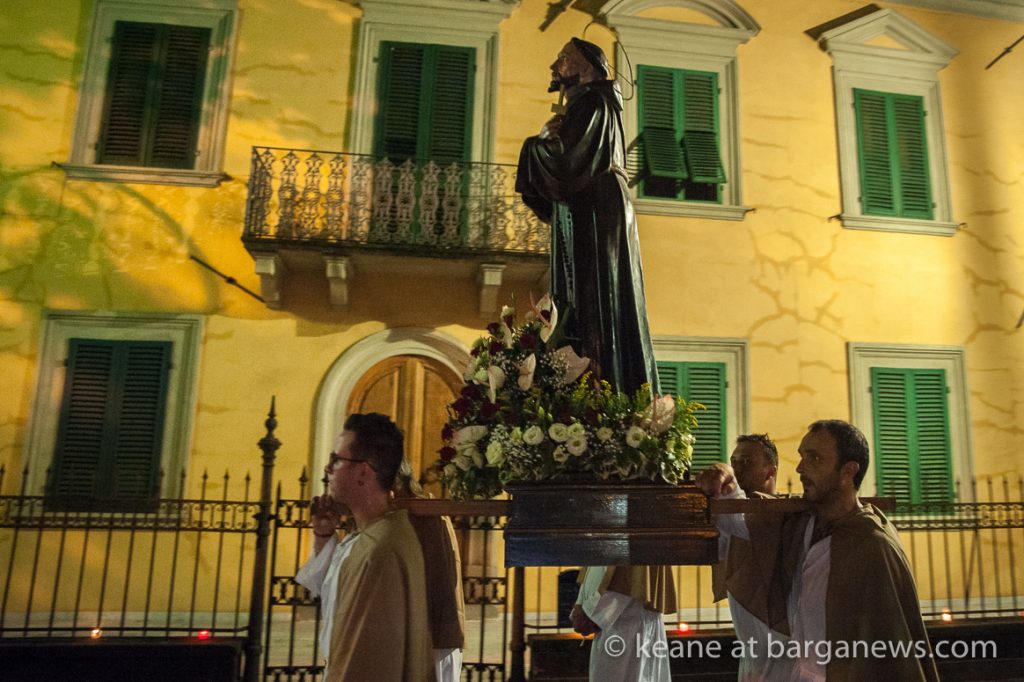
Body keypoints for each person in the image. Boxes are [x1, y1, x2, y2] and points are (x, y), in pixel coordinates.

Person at [698, 420, 939, 681]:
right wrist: (724, 479)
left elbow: (889, 646)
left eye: (813, 458)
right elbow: (741, 524)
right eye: (802, 457)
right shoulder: (799, 522)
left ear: (848, 471)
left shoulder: (873, 544)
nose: (800, 468)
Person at [516, 37, 659, 396]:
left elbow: (569, 159)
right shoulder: (589, 104)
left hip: (596, 207)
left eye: (564, 58)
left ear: (587, 67)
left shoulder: (593, 101)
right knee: (583, 292)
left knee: (596, 294)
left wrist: (536, 144)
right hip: (588, 204)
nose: (555, 66)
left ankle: (600, 379)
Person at [294, 413, 435, 682]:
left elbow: (366, 659)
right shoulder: (369, 535)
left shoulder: (381, 550)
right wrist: (325, 535)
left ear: (363, 471)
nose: (328, 469)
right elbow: (337, 594)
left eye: (336, 460)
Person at [711, 434, 791, 681]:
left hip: (782, 649)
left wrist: (726, 479)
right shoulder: (735, 515)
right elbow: (720, 538)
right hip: (750, 651)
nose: (736, 469)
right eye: (733, 462)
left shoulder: (782, 514)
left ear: (770, 471)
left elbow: (741, 525)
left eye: (746, 462)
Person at [393, 461, 465, 682]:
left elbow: (440, 576)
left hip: (430, 635)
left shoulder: (422, 515)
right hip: (429, 635)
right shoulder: (422, 512)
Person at [569, 565, 677, 681]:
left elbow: (627, 577)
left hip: (628, 622)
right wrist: (582, 605)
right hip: (613, 622)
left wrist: (590, 613)